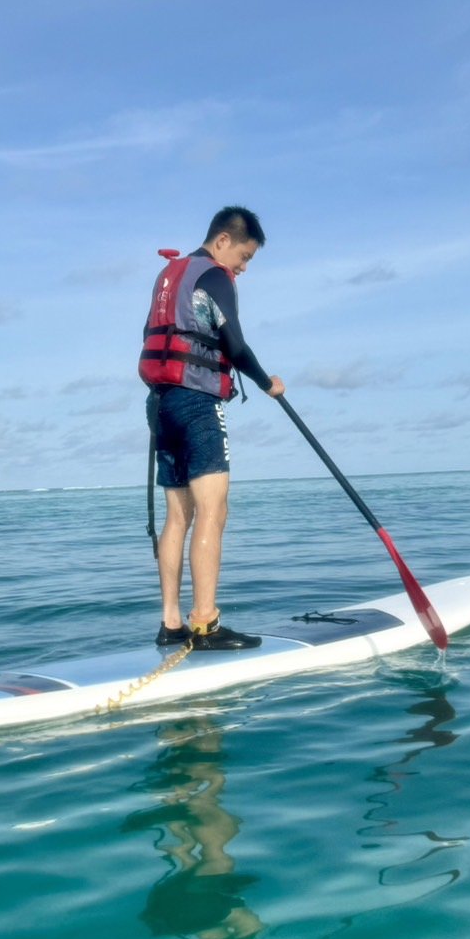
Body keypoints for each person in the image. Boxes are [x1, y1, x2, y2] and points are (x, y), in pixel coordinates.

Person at [139, 206, 284, 650]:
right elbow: (234, 344)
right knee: (213, 510)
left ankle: (170, 623)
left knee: (178, 515)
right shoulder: (215, 275)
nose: (242, 267)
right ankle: (204, 622)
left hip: (160, 404)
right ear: (223, 241)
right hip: (197, 401)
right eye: (244, 256)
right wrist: (266, 383)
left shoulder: (171, 276)